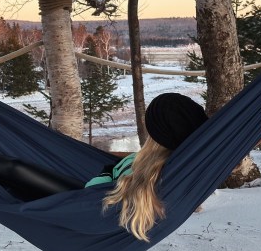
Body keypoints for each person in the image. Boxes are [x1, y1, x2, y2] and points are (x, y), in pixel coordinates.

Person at [88, 93, 208, 242]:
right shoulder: (184, 173)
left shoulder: (134, 166)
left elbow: (90, 194)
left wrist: (106, 172)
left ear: (153, 131)